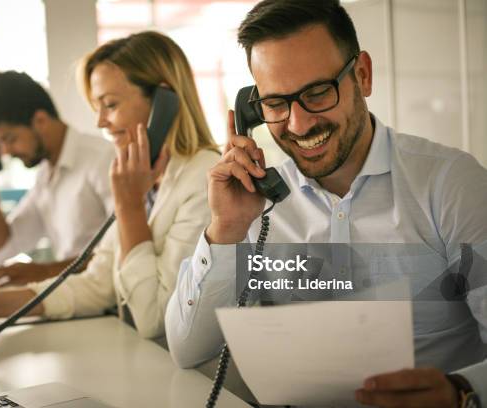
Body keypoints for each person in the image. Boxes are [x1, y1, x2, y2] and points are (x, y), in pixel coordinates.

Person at [165, 0, 487, 407]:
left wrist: (460, 391)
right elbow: (186, 349)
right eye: (277, 103)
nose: (299, 124)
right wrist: (225, 230)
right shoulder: (254, 201)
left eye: (318, 92)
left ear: (363, 76)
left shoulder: (451, 185)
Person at [0, 31, 220, 339]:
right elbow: (97, 283)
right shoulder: (144, 176)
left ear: (163, 101)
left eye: (110, 104)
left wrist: (128, 207)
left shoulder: (203, 179)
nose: (100, 121)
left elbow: (153, 318)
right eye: (96, 107)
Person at [0, 71, 114, 287]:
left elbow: (123, 252)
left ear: (40, 120)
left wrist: (45, 272)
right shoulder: (46, 174)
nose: (7, 151)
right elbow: (2, 248)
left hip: (107, 306)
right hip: (73, 301)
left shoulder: (102, 160)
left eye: (10, 139)